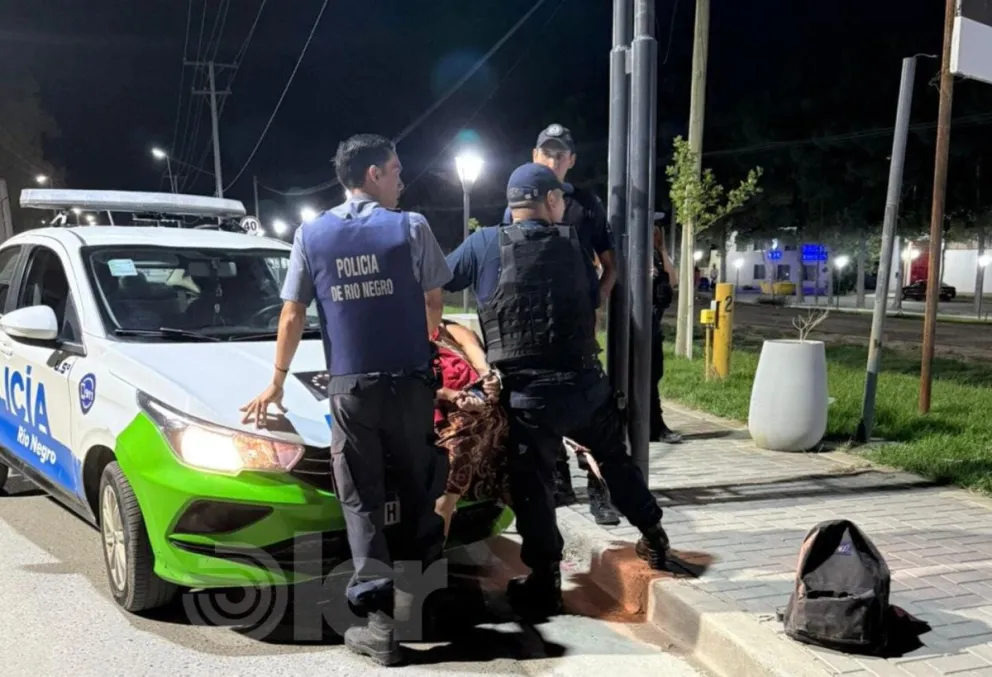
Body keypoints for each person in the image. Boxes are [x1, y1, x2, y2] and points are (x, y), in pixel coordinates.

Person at [239, 133, 451, 667]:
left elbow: (292, 313)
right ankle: (426, 607)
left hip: (352, 390)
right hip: (409, 384)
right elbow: (433, 298)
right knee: (419, 486)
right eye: (396, 170)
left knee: (361, 500)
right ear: (374, 174)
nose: (402, 180)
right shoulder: (412, 227)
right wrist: (422, 347)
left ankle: (379, 627)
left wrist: (278, 380)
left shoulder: (311, 235)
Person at [445, 162, 673, 619]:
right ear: (548, 200)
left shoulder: (482, 244)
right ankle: (654, 536)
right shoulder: (576, 244)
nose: (566, 205)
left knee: (534, 487)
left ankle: (545, 581)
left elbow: (433, 283)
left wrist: (455, 336)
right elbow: (589, 300)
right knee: (613, 459)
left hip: (528, 396)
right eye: (562, 199)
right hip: (585, 384)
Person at [502, 123, 619, 524]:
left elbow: (610, 263)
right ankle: (558, 482)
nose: (552, 160)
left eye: (560, 154)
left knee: (588, 405)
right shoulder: (516, 202)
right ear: (535, 155)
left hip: (576, 326)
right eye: (546, 153)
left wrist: (596, 301)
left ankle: (599, 491)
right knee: (546, 406)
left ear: (571, 160)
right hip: (535, 328)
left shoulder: (586, 204)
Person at [650, 220, 684, 444]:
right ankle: (655, 427)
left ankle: (653, 426)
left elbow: (673, 280)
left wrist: (662, 251)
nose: (654, 235)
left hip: (655, 324)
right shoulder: (631, 254)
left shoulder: (658, 256)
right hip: (641, 324)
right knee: (647, 378)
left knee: (654, 375)